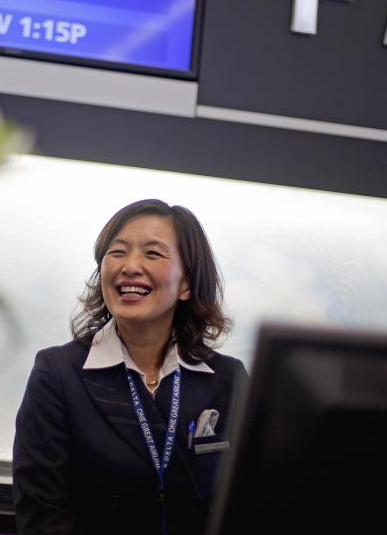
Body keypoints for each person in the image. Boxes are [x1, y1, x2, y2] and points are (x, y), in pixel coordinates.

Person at [13, 199, 248, 535]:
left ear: (185, 284)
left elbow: (253, 501)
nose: (131, 266)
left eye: (152, 254)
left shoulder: (228, 379)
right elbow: (42, 515)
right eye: (117, 252)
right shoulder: (58, 373)